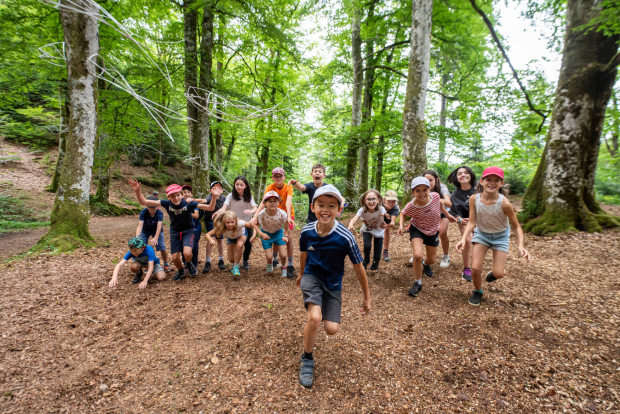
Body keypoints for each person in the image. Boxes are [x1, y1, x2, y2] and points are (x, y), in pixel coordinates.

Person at [297, 184, 371, 388]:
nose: (325, 209)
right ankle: (307, 358)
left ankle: (316, 318)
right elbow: (303, 254)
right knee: (314, 317)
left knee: (331, 329)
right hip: (312, 276)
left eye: (331, 205)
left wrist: (367, 295)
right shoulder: (307, 231)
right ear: (313, 207)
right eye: (321, 204)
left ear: (340, 209)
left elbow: (358, 267)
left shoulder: (345, 237)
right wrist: (302, 274)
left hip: (333, 282)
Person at [456, 167, 530, 306]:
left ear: (501, 183)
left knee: (499, 273)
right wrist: (463, 238)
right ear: (482, 182)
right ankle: (478, 291)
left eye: (496, 180)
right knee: (476, 268)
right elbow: (472, 222)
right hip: (482, 234)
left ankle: (496, 272)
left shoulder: (504, 203)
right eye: (488, 180)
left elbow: (516, 226)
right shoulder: (474, 199)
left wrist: (521, 245)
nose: (492, 183)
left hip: (500, 237)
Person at [128, 179, 215, 281]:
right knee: (174, 258)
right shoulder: (167, 203)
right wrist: (137, 191)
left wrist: (213, 195)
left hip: (188, 230)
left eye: (178, 195)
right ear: (168, 197)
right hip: (175, 232)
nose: (176, 198)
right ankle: (181, 271)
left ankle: (189, 264)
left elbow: (210, 207)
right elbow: (143, 201)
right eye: (172, 196)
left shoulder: (189, 203)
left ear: (182, 195)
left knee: (187, 253)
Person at [399, 177, 454, 297]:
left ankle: (425, 263)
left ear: (429, 189)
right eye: (417, 191)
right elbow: (402, 213)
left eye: (425, 189)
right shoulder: (411, 206)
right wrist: (401, 226)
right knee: (417, 255)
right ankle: (417, 283)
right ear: (412, 192)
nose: (422, 193)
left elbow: (440, 207)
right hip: (417, 229)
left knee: (431, 260)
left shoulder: (434, 196)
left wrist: (448, 215)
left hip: (433, 230)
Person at [251, 167, 296, 276]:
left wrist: (289, 217)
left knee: (287, 237)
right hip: (271, 213)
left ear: (284, 177)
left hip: (286, 214)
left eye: (280, 176)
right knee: (275, 233)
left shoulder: (288, 187)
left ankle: (289, 264)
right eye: (276, 176)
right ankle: (274, 259)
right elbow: (263, 201)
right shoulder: (270, 187)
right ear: (273, 178)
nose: (278, 178)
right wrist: (256, 215)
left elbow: (289, 201)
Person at [213, 176, 258, 271]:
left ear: (245, 186)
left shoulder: (249, 195)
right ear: (234, 185)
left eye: (241, 185)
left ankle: (245, 260)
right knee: (234, 242)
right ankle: (235, 262)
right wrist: (219, 212)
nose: (239, 186)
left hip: (246, 222)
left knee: (248, 244)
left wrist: (251, 211)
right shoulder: (230, 195)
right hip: (233, 223)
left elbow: (255, 208)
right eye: (237, 184)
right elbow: (224, 207)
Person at [447, 166, 477, 282]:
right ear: (457, 178)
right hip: (465, 219)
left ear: (471, 175)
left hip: (481, 218)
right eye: (460, 174)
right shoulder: (455, 194)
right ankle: (466, 269)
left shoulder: (479, 187)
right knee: (468, 240)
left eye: (466, 173)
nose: (463, 175)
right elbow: (455, 213)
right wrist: (459, 220)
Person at [253, 191, 291, 277]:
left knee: (283, 255)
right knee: (269, 256)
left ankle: (283, 267)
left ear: (279, 202)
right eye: (270, 201)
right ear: (265, 203)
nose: (272, 203)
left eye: (275, 201)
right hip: (266, 234)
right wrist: (261, 234)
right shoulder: (262, 214)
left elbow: (287, 227)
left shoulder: (282, 213)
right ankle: (269, 263)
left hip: (278, 233)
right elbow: (255, 224)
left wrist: (286, 236)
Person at [347, 189, 388, 271]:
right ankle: (366, 260)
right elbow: (355, 218)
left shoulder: (381, 209)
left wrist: (387, 219)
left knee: (377, 253)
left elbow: (386, 217)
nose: (371, 201)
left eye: (373, 199)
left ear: (378, 200)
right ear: (365, 201)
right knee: (367, 246)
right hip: (367, 230)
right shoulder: (362, 210)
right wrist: (351, 224)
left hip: (379, 232)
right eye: (368, 199)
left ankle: (376, 262)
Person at [205, 211, 254, 277]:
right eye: (228, 222)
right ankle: (235, 264)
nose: (230, 224)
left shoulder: (240, 223)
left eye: (232, 222)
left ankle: (236, 267)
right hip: (231, 237)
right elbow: (207, 234)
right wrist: (211, 240)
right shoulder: (221, 227)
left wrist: (254, 235)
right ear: (224, 222)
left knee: (239, 245)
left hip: (241, 234)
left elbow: (253, 225)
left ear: (235, 221)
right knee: (231, 260)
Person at [423, 170, 453, 268]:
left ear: (436, 180)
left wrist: (440, 200)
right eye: (425, 180)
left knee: (442, 232)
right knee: (422, 232)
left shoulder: (442, 187)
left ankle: (445, 256)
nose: (428, 182)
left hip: (444, 211)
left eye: (430, 180)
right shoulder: (421, 188)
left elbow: (449, 203)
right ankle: (419, 255)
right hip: (430, 212)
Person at [136, 195, 171, 271]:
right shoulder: (143, 212)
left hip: (157, 231)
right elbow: (140, 226)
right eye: (150, 208)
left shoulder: (159, 213)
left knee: (162, 247)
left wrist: (156, 237)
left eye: (154, 208)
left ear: (157, 207)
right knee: (142, 247)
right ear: (147, 207)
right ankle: (146, 264)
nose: (152, 209)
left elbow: (159, 226)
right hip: (145, 231)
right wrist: (137, 236)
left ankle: (166, 263)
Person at [200, 182, 227, 273]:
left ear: (222, 190)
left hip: (220, 221)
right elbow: (203, 201)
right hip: (210, 220)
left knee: (220, 239)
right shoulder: (209, 197)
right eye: (214, 188)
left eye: (219, 187)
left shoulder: (224, 198)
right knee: (211, 238)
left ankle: (221, 260)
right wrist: (193, 200)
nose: (216, 189)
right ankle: (208, 262)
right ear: (210, 190)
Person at [181, 185, 202, 270]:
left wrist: (185, 213)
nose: (187, 194)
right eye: (184, 192)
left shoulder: (194, 202)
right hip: (183, 227)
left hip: (195, 227)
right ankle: (186, 264)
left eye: (188, 192)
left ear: (191, 193)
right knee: (184, 246)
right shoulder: (179, 203)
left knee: (194, 245)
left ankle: (194, 264)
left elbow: (196, 216)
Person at [381, 190, 399, 262]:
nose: (391, 204)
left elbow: (392, 223)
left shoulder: (395, 208)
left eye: (393, 201)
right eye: (389, 201)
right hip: (378, 216)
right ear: (384, 199)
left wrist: (388, 225)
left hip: (388, 218)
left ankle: (385, 251)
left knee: (387, 229)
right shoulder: (379, 204)